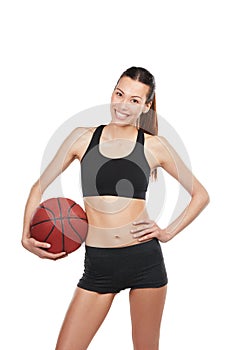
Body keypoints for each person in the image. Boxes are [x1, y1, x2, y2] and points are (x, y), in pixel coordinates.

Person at [21, 66, 210, 350]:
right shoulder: (82, 138)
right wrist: (25, 236)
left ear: (146, 106)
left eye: (134, 100)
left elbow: (200, 195)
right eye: (119, 94)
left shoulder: (155, 146)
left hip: (144, 262)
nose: (123, 104)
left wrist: (168, 232)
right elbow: (39, 187)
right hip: (99, 266)